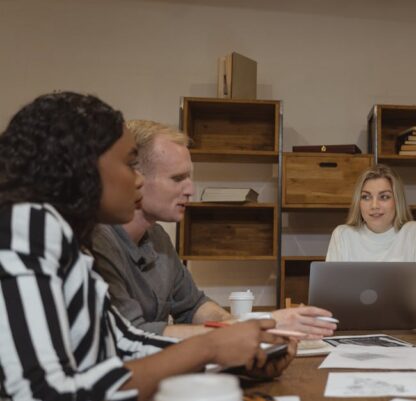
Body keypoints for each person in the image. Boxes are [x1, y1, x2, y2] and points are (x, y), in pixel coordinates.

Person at [0, 92, 294, 401]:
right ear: (84, 167)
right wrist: (211, 347)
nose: (138, 181)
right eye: (129, 164)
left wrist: (230, 356)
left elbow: (124, 343)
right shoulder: (27, 225)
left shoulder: (71, 241)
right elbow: (42, 393)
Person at [91, 120, 337, 339]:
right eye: (177, 179)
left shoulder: (157, 238)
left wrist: (246, 331)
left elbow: (194, 305)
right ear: (135, 177)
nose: (191, 190)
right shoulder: (97, 241)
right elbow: (129, 335)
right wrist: (256, 325)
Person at [326, 164, 416, 299]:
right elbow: (331, 297)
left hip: (405, 320)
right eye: (366, 197)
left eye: (384, 197)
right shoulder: (342, 235)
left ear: (397, 200)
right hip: (352, 320)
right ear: (358, 202)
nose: (374, 206)